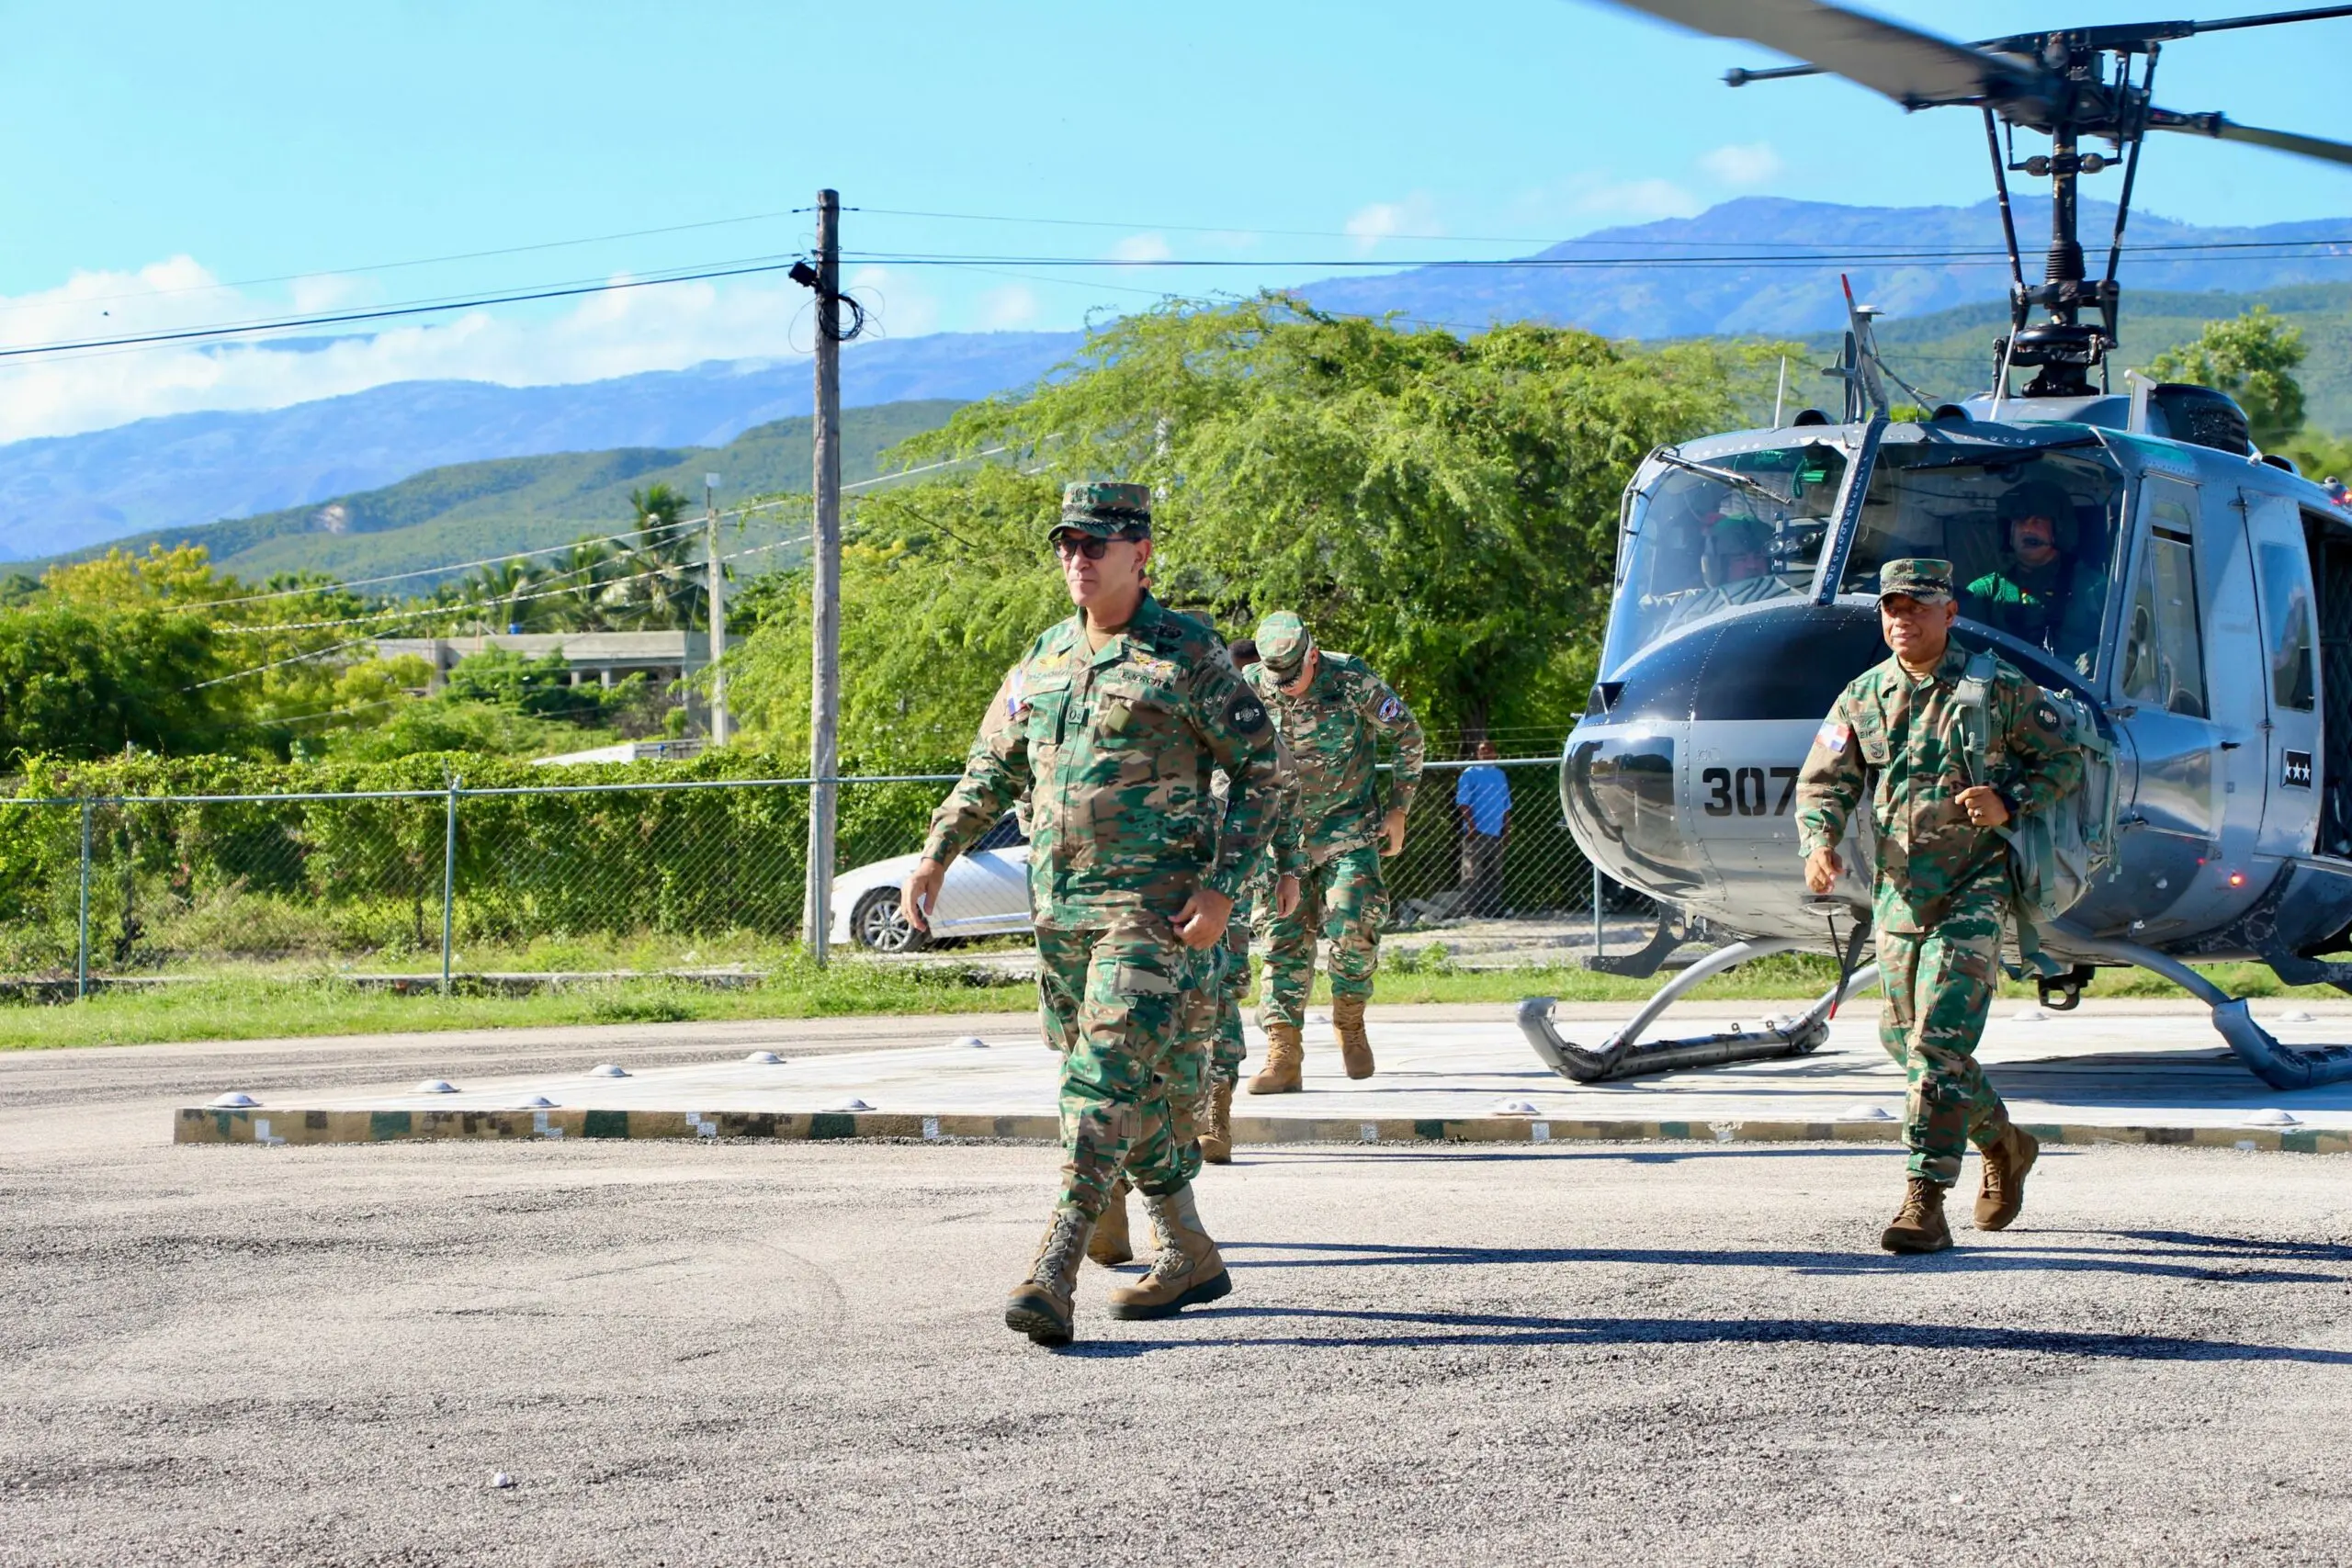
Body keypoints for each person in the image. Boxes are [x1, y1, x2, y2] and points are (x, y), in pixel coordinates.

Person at [904, 480, 1280, 1346]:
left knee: (1098, 1082)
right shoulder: (1042, 657)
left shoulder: (1186, 652)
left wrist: (1227, 886)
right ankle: (1188, 1249)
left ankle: (1055, 1267)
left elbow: (1266, 771)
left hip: (1151, 917)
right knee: (1126, 1087)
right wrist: (938, 852)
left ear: (1140, 554)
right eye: (1067, 543)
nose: (1078, 557)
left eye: (1095, 543)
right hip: (1061, 915)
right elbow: (992, 766)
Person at [1795, 558, 2085, 1255]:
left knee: (1937, 1044)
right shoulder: (1863, 696)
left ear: (1949, 613)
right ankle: (2006, 1142)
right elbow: (1824, 779)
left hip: (1974, 888)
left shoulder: (1994, 688)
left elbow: (2064, 758)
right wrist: (1820, 844)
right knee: (1904, 1043)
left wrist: (2009, 801)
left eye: (1918, 606)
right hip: (1899, 891)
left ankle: (1924, 1198)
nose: (1903, 618)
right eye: (1892, 607)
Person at [1241, 612, 1425, 1091]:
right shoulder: (1249, 688)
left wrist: (1398, 810)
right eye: (1276, 679)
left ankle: (1349, 1018)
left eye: (1294, 676)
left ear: (1313, 655)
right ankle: (1283, 1055)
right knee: (1281, 942)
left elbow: (1408, 735)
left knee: (1356, 925)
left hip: (1349, 829)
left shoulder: (1350, 679)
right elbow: (1225, 756)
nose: (1286, 688)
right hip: (1281, 843)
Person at [1964, 479, 2106, 674]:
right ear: (2009, 533)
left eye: (2038, 522)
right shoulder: (1986, 591)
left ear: (2059, 529)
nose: (2027, 530)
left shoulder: (2097, 588)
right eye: (2020, 522)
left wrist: (2100, 657)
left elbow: (2133, 647)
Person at [1453, 739, 1510, 918]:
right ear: (1477, 754)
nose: (1485, 753)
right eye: (1482, 750)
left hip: (1496, 831)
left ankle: (1493, 908)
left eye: (1489, 750)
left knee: (1494, 873)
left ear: (1495, 753)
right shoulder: (1470, 773)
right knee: (1472, 873)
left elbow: (1506, 804)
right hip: (1476, 831)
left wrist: (1507, 829)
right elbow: (1463, 803)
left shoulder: (1500, 774)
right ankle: (1470, 910)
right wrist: (1471, 825)